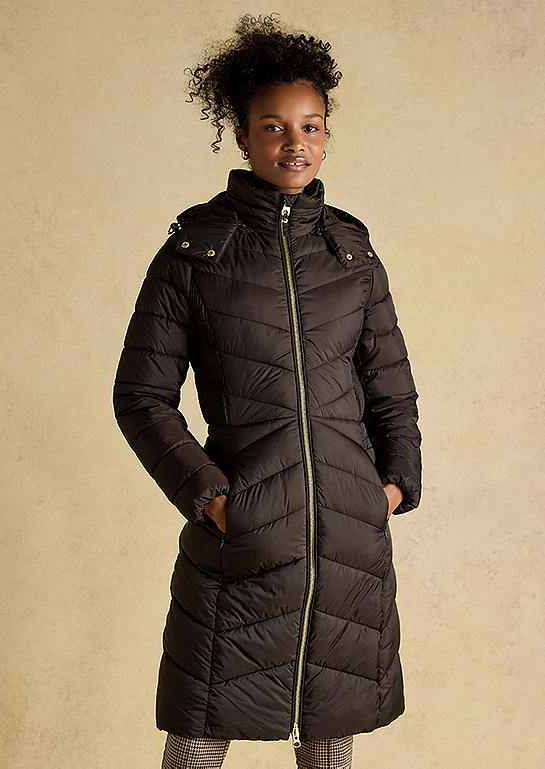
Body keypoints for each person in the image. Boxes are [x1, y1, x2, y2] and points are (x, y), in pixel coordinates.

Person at [112, 12, 422, 769]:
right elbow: (141, 394)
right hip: (244, 535)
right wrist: (212, 497)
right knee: (199, 736)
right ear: (243, 135)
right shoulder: (196, 253)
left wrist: (389, 488)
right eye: (274, 127)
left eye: (311, 127)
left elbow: (391, 389)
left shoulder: (351, 255)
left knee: (330, 728)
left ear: (327, 136)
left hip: (346, 539)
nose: (294, 143)